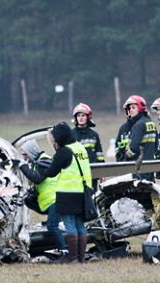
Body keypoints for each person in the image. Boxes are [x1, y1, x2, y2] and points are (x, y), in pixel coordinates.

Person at [19, 122, 92, 263]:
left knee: (70, 225)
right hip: (84, 191)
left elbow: (51, 172)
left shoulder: (64, 151)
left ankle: (71, 257)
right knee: (79, 225)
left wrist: (38, 171)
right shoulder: (80, 148)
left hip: (69, 192)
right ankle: (81, 258)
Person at [20, 140, 67, 255]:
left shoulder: (44, 161)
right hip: (52, 200)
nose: (25, 158)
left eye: (25, 155)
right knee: (54, 225)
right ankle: (61, 247)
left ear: (31, 152)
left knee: (52, 226)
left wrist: (23, 166)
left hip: (55, 199)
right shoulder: (39, 163)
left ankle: (64, 250)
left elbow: (37, 178)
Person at [115, 95, 157, 181]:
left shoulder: (138, 125)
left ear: (140, 108)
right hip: (150, 168)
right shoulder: (151, 124)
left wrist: (124, 158)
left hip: (137, 169)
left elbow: (133, 148)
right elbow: (157, 145)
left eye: (133, 108)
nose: (130, 110)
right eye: (129, 108)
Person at [71, 102, 104, 189]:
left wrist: (102, 172)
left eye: (83, 115)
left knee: (92, 197)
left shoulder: (94, 135)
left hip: (92, 172)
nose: (81, 118)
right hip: (76, 173)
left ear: (88, 117)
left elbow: (99, 154)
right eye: (78, 116)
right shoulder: (71, 135)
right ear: (75, 118)